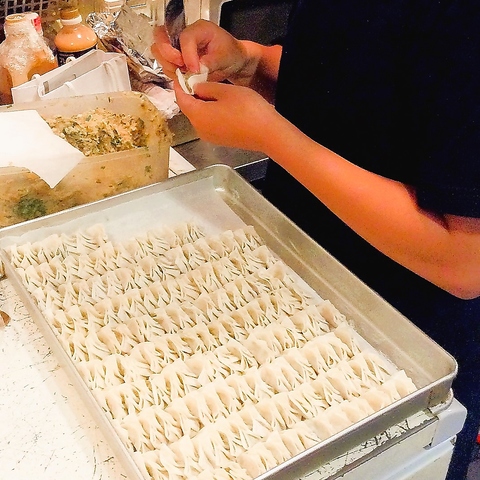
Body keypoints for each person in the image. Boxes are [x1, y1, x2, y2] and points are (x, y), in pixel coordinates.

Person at [152, 2, 480, 478]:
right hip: (293, 289)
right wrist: (251, 62)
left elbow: (465, 262)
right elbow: (368, 79)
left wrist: (273, 136)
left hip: (397, 351)